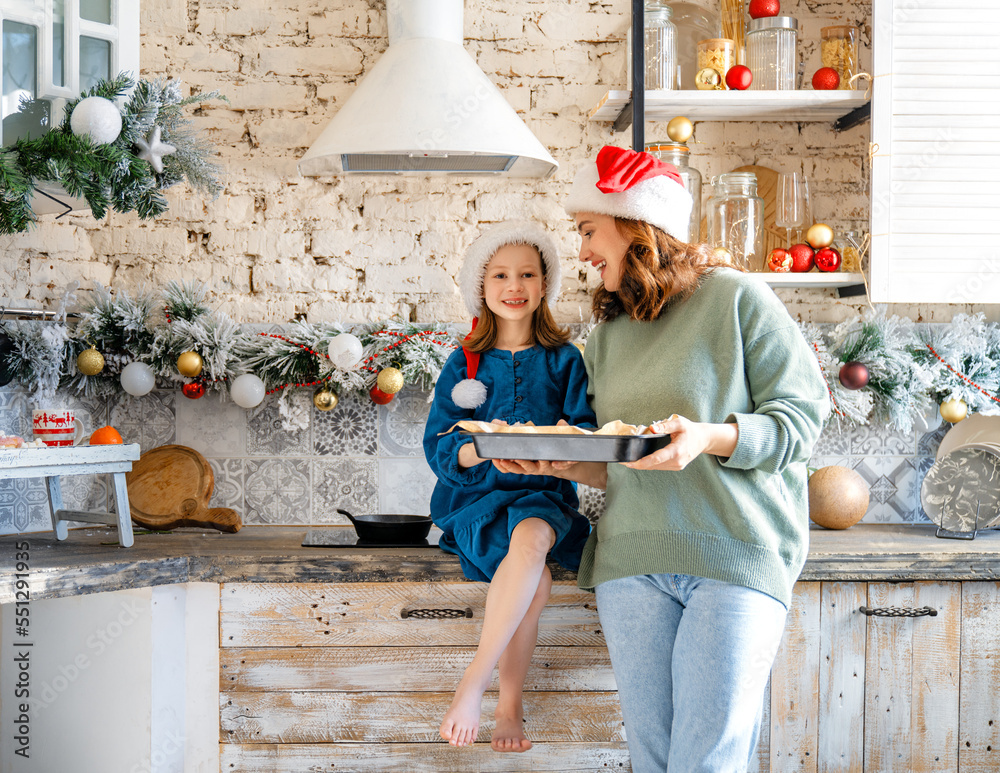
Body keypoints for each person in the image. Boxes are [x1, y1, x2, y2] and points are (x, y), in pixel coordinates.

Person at [495, 146, 829, 772]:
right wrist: (555, 463)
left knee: (706, 760)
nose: (585, 251)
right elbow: (613, 458)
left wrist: (708, 437)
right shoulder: (610, 333)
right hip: (632, 562)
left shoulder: (737, 298)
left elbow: (801, 420)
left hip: (733, 553)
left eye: (590, 231)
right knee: (653, 759)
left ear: (637, 228)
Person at [422, 221, 596, 753]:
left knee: (535, 534)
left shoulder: (565, 359)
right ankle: (509, 703)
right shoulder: (463, 363)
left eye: (526, 273)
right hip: (478, 501)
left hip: (542, 496)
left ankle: (473, 683)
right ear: (482, 286)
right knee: (536, 581)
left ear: (545, 285)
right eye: (500, 274)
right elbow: (439, 444)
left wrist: (563, 442)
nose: (513, 285)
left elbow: (585, 432)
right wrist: (481, 444)